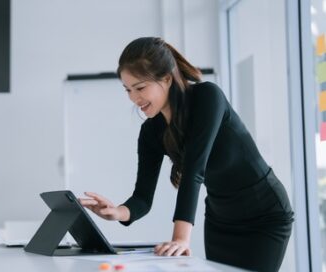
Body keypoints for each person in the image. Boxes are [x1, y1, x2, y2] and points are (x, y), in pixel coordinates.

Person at [78, 37, 294, 272]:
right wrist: (116, 212)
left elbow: (194, 171)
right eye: (128, 90)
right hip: (220, 219)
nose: (133, 98)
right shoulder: (151, 130)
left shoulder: (207, 97)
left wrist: (180, 238)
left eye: (140, 88)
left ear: (167, 79)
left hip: (263, 215)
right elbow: (142, 198)